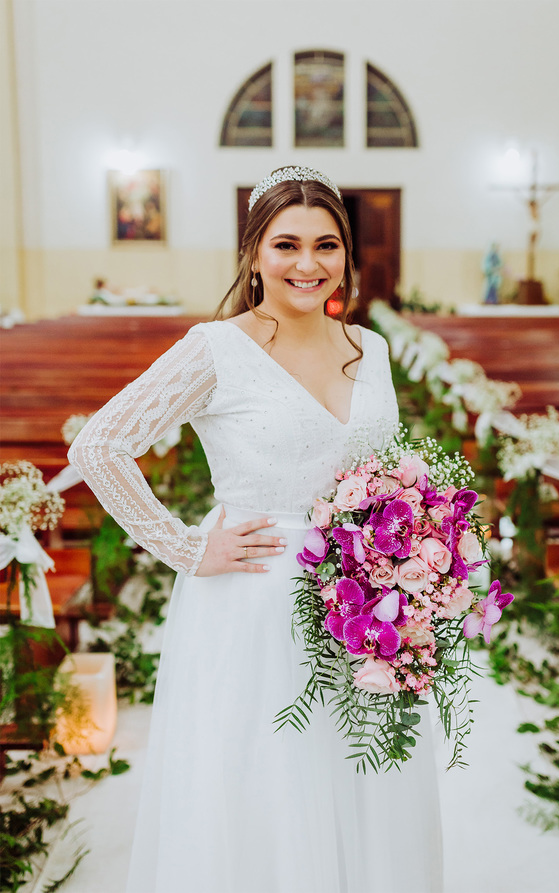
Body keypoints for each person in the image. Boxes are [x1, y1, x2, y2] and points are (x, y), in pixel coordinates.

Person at [69, 166, 442, 892]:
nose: (309, 264)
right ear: (253, 254)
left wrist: (415, 557)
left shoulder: (371, 349)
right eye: (287, 244)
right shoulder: (216, 349)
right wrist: (185, 546)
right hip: (254, 599)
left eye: (326, 244)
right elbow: (99, 445)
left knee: (361, 776)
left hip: (363, 605)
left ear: (347, 255)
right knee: (266, 784)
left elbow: (382, 472)